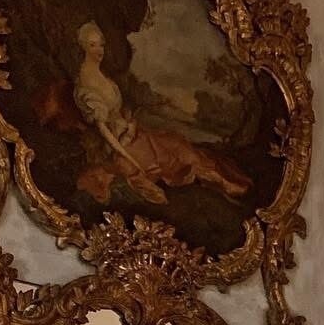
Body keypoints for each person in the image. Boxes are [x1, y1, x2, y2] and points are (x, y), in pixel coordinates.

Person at [71, 20, 250, 209]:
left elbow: (118, 110)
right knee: (172, 156)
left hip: (133, 133)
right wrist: (130, 158)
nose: (99, 50)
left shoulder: (101, 75)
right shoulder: (86, 85)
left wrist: (130, 122)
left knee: (177, 142)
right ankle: (222, 183)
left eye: (101, 44)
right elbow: (104, 131)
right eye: (93, 45)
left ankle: (221, 180)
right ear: (84, 47)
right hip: (120, 145)